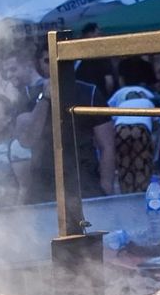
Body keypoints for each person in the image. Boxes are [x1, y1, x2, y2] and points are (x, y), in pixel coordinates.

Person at [19, 45, 117, 201]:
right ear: (39, 64)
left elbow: (107, 145)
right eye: (47, 60)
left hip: (84, 178)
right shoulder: (28, 94)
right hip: (43, 182)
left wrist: (106, 185)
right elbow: (28, 139)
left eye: (60, 60)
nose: (54, 65)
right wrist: (45, 98)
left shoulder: (89, 92)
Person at [108, 56, 160, 193]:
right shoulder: (150, 95)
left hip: (120, 129)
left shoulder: (118, 94)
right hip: (142, 129)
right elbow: (157, 122)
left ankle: (126, 197)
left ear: (121, 79)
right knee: (142, 165)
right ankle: (140, 196)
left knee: (124, 167)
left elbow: (109, 116)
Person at [73, 23, 117, 96]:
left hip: (94, 93)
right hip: (88, 93)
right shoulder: (80, 54)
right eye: (98, 33)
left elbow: (109, 80)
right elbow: (109, 81)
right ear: (90, 34)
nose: (100, 35)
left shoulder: (100, 54)